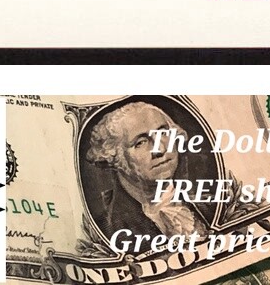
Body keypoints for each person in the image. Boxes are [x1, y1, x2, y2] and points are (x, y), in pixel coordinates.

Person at [83, 100, 214, 242]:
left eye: (163, 133)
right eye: (140, 142)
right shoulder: (108, 231)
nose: (160, 149)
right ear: (113, 157)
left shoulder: (211, 207)